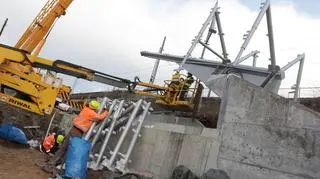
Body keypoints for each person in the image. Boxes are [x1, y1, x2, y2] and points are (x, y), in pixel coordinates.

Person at [41, 99, 109, 174]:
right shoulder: (91, 113)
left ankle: (53, 163)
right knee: (70, 149)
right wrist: (106, 111)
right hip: (77, 132)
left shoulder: (86, 109)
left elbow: (95, 120)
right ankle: (58, 166)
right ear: (95, 108)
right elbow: (99, 118)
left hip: (74, 129)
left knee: (64, 147)